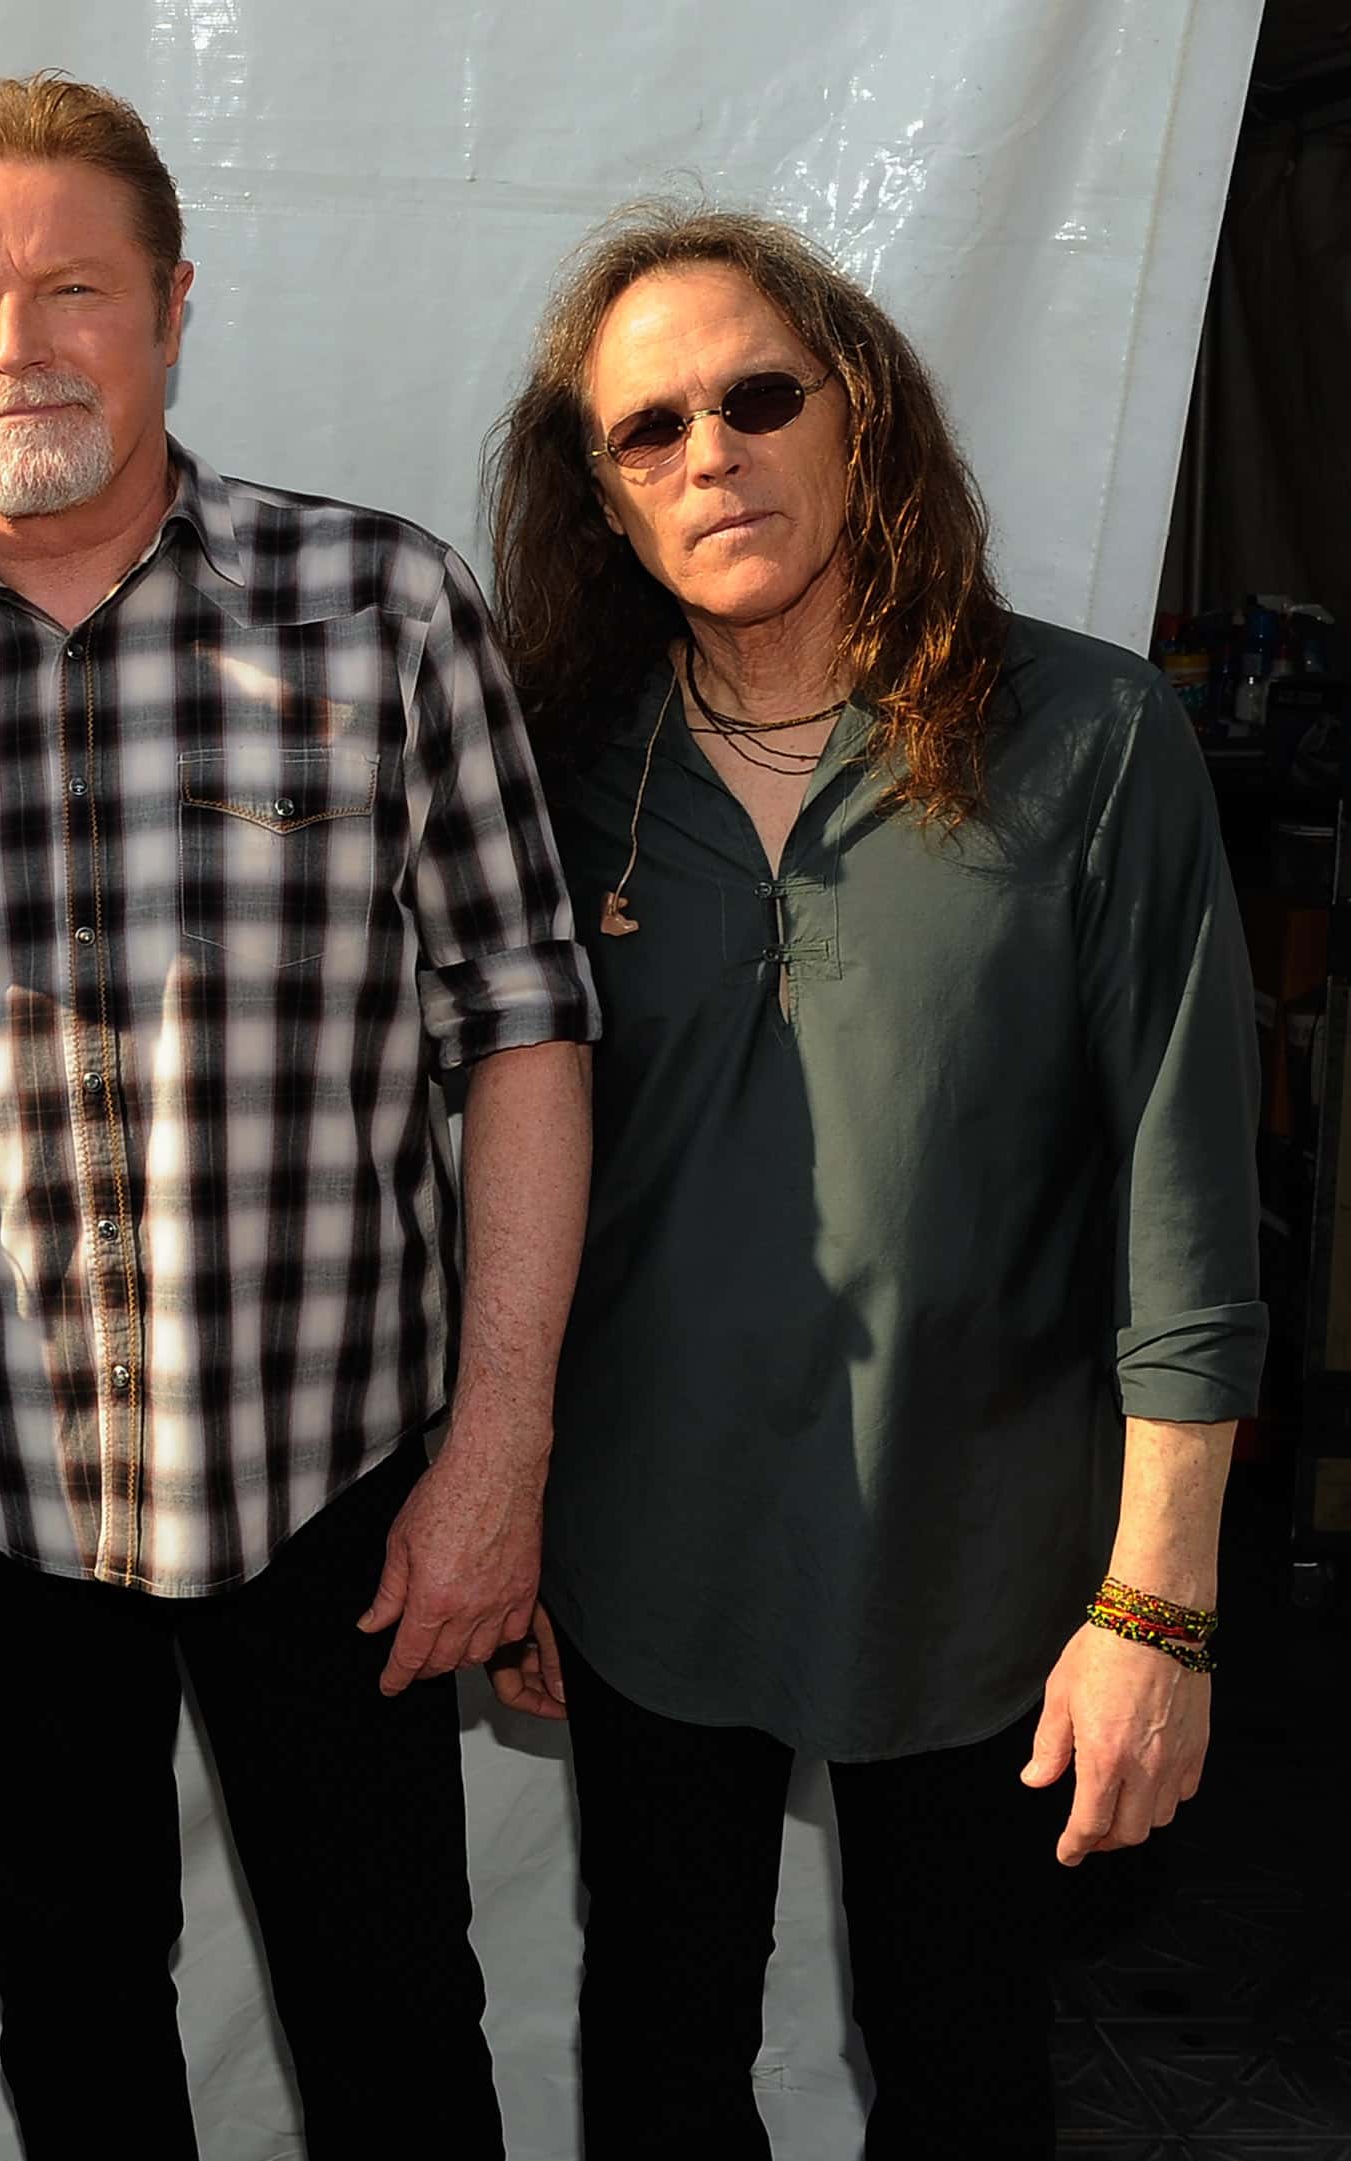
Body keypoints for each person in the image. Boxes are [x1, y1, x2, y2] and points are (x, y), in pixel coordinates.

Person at [0, 74, 595, 2156]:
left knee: (397, 2019)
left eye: (75, 288)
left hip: (341, 1480)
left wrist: (497, 1454)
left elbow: (526, 1028)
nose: (18, 341)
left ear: (172, 308)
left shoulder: (379, 606)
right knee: (76, 2024)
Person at [481, 203, 1263, 2156]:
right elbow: (483, 1171)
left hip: (992, 1566)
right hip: (645, 1556)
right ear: (600, 494)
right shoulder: (557, 767)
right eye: (645, 431)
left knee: (967, 2080)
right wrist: (501, 1502)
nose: (709, 455)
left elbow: (1188, 1203)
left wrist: (1156, 1611)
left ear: (864, 419)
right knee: (662, 2073)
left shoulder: (1087, 739)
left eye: (758, 397)